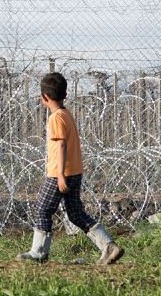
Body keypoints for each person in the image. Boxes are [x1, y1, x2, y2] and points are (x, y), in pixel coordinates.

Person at [16, 72, 124, 265]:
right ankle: (108, 246)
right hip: (74, 172)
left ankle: (39, 252)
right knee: (75, 214)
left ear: (44, 97)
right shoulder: (66, 114)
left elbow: (61, 145)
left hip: (60, 173)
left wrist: (59, 175)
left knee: (42, 208)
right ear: (65, 95)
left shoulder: (56, 118)